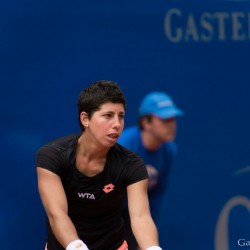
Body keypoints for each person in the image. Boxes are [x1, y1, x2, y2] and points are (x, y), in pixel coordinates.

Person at [35, 80, 162, 250]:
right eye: (108, 115)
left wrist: (153, 248)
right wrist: (76, 247)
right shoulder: (52, 157)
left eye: (121, 116)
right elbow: (56, 214)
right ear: (85, 119)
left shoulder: (132, 165)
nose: (117, 124)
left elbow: (141, 217)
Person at [118, 91, 183, 250]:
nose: (172, 125)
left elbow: (155, 198)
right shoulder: (123, 146)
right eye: (165, 120)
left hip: (136, 216)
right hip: (106, 215)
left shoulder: (169, 150)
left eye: (173, 119)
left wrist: (144, 241)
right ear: (146, 123)